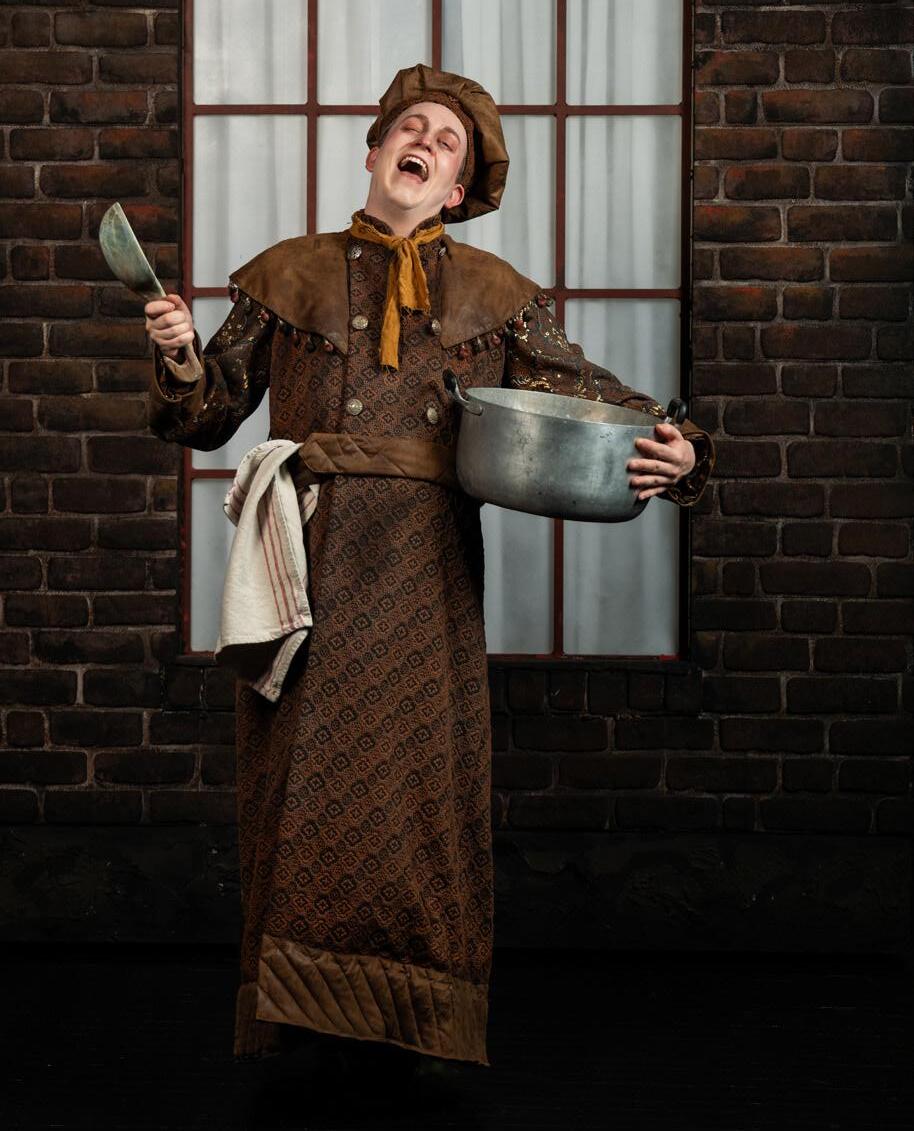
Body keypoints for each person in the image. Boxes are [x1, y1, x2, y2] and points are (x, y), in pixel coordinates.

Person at [144, 64, 714, 1083]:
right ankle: (294, 1024)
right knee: (296, 784)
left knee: (417, 796)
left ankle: (415, 1026)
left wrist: (679, 450)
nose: (423, 143)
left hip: (424, 570)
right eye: (408, 128)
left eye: (446, 142)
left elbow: (592, 398)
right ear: (372, 152)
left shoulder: (498, 297)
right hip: (307, 561)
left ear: (456, 187)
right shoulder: (284, 274)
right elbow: (207, 414)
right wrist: (183, 353)